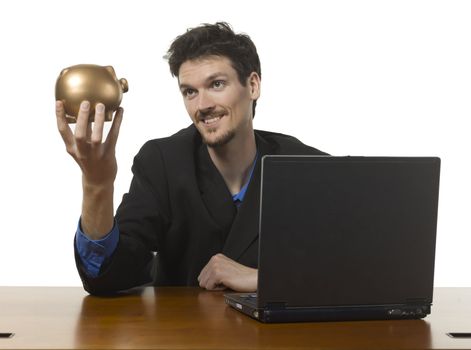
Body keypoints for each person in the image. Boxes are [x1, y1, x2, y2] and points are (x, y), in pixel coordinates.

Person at [56, 22, 327, 295]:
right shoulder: (162, 163)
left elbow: (356, 269)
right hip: (187, 335)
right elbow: (107, 275)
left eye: (217, 84)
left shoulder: (307, 167)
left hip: (281, 337)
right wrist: (97, 184)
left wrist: (264, 279)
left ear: (253, 85)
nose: (202, 105)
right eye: (190, 92)